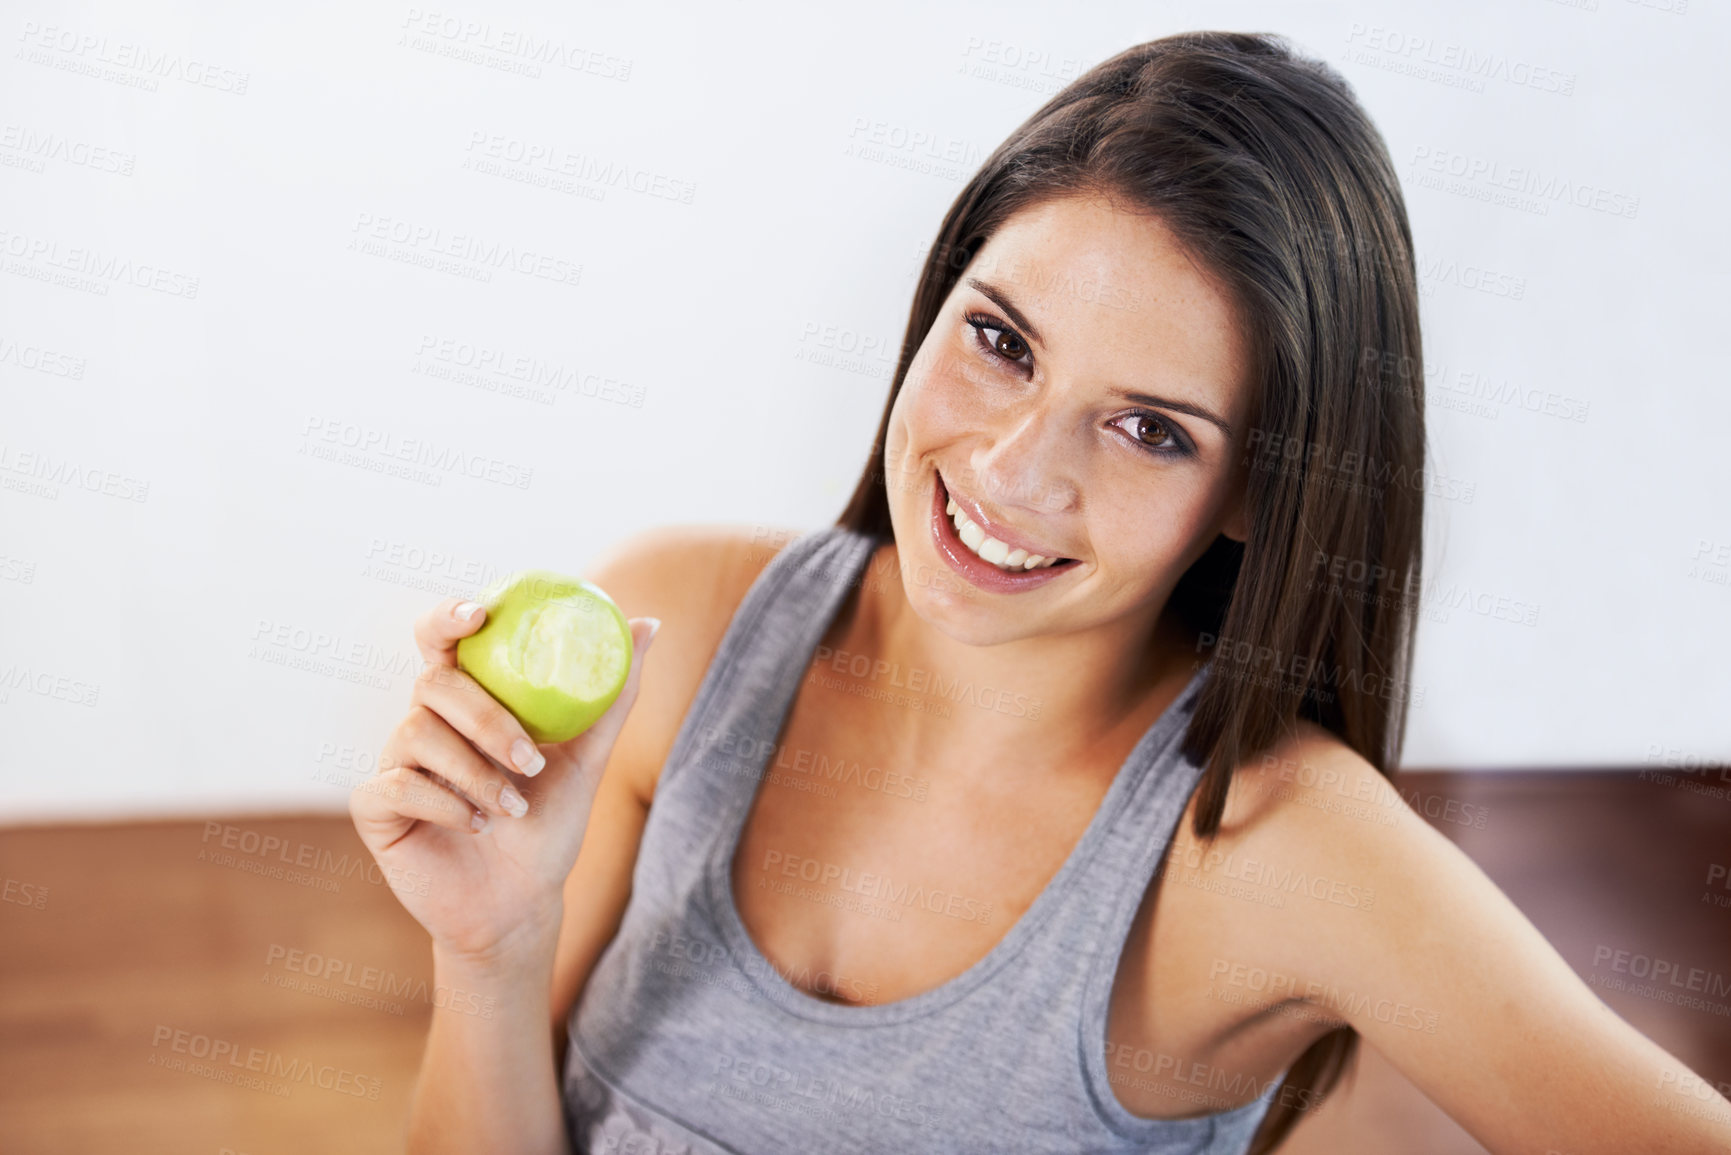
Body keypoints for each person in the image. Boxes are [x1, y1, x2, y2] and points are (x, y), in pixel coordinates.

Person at [349, 30, 1731, 1154]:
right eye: (1002, 341)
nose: (1014, 471)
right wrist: (494, 950)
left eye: (1152, 429)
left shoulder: (1273, 849)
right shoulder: (683, 625)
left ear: (1261, 491)